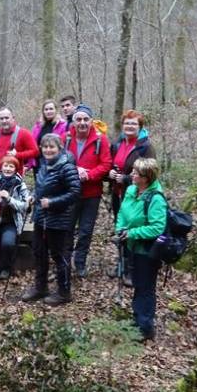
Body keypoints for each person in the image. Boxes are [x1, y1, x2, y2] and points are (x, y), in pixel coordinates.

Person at [22, 133, 81, 305]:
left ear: (59, 148)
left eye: (51, 147)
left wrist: (53, 202)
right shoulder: (43, 165)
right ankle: (40, 287)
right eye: (45, 147)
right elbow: (40, 188)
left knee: (59, 255)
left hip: (59, 220)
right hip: (41, 217)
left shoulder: (67, 167)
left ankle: (64, 292)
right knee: (39, 252)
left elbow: (75, 192)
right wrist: (33, 196)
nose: (48, 150)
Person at [115, 158, 167, 340]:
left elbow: (157, 227)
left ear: (146, 177)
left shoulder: (156, 198)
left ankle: (145, 326)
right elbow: (122, 212)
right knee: (137, 283)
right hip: (131, 246)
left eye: (136, 173)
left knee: (146, 286)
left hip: (147, 250)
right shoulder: (131, 190)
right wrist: (120, 229)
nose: (132, 175)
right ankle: (137, 319)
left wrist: (132, 233)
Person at [61, 105, 112, 277]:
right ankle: (65, 262)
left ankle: (80, 263)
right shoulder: (65, 138)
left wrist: (88, 175)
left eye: (85, 119)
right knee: (66, 228)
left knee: (85, 230)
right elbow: (58, 161)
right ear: (73, 121)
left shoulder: (101, 140)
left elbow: (106, 164)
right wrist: (75, 171)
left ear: (91, 121)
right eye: (78, 119)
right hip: (69, 193)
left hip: (92, 194)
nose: (82, 123)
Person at [108, 110, 156, 285]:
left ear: (140, 127)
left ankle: (132, 270)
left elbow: (151, 172)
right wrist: (111, 173)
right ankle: (122, 263)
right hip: (118, 194)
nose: (129, 127)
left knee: (133, 231)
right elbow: (111, 163)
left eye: (133, 124)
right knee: (120, 228)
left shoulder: (146, 146)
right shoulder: (118, 143)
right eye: (127, 123)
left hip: (137, 196)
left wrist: (127, 179)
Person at [0, 107, 38, 176]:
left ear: (13, 118)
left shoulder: (23, 133)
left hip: (14, 179)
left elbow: (35, 151)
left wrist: (17, 155)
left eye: (7, 118)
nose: (4, 121)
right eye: (1, 118)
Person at [29, 99, 61, 172]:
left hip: (55, 164)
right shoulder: (38, 126)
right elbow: (32, 145)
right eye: (46, 109)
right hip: (38, 163)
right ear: (43, 112)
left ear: (56, 110)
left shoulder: (62, 125)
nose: (48, 111)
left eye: (51, 109)